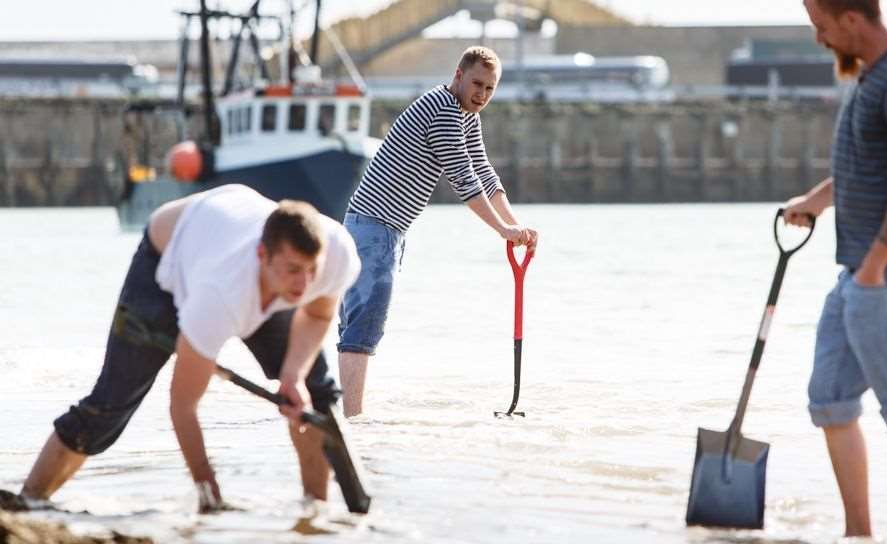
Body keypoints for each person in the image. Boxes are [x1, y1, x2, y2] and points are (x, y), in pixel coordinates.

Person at [18, 184, 360, 512]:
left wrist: (292, 375)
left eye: (311, 271)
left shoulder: (335, 256)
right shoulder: (219, 296)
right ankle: (26, 503)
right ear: (263, 255)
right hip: (168, 255)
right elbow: (183, 407)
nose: (305, 283)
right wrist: (210, 495)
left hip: (230, 239)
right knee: (111, 406)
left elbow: (317, 313)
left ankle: (317, 516)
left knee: (313, 396)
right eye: (295, 270)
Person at [784, 0, 887, 539]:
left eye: (821, 26)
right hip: (858, 276)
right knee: (830, 399)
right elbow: (866, 167)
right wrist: (816, 201)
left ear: (851, 18)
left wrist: (874, 269)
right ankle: (858, 534)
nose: (819, 38)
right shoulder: (872, 75)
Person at [336, 46, 539, 417]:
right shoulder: (443, 110)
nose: (482, 94)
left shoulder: (467, 118)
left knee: (358, 329)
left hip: (384, 231)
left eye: (490, 89)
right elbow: (463, 179)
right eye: (477, 83)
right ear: (458, 75)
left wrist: (516, 227)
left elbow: (485, 174)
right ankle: (354, 425)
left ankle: (347, 419)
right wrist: (502, 230)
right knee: (362, 332)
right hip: (373, 229)